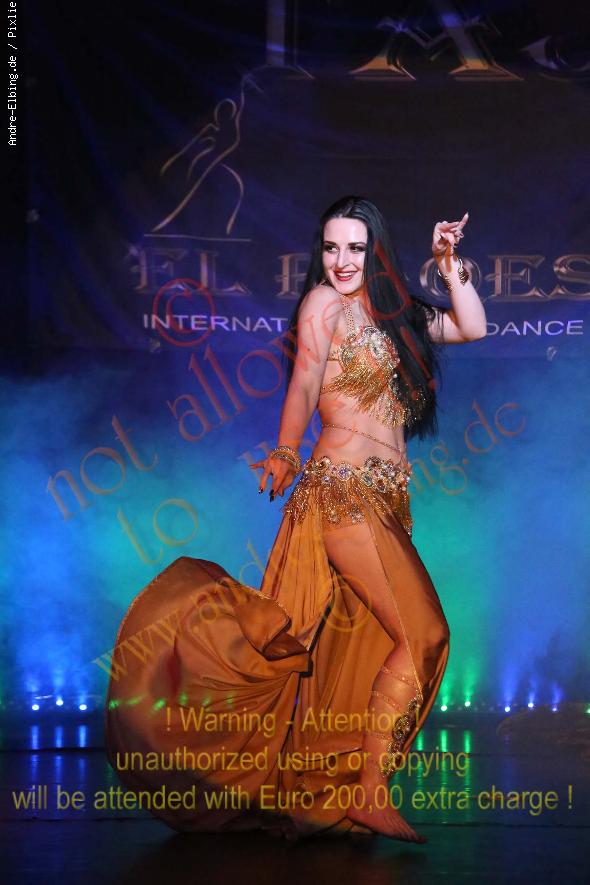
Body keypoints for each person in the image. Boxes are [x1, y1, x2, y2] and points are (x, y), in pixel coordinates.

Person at [105, 196, 486, 843]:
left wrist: (449, 265)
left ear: (377, 251)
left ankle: (343, 787)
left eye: (355, 248)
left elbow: (471, 327)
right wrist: (286, 449)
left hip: (388, 501)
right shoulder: (322, 304)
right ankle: (368, 791)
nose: (341, 260)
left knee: (360, 651)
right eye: (331, 247)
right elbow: (305, 381)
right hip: (342, 493)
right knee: (423, 634)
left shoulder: (396, 313)